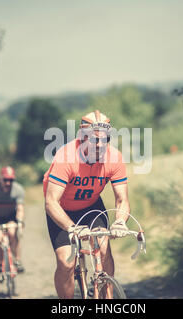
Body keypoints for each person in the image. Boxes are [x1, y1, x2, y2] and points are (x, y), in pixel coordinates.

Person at [43, 110, 130, 299]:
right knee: (66, 262)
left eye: (104, 139)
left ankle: (106, 298)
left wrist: (120, 221)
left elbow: (122, 199)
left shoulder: (114, 158)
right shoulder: (66, 157)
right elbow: (51, 202)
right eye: (93, 139)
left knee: (104, 249)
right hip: (62, 210)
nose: (99, 144)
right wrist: (71, 228)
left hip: (91, 206)